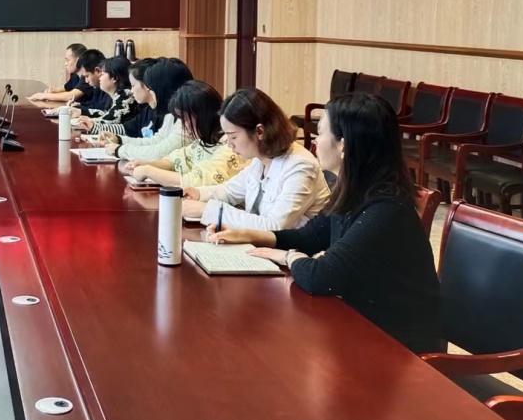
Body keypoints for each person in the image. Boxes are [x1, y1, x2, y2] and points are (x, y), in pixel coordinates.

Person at [209, 93, 441, 353]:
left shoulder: (386, 208)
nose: (315, 141)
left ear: (343, 145)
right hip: (362, 326)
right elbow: (310, 237)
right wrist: (248, 235)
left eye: (320, 133)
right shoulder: (354, 190)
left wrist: (288, 257)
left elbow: (321, 276)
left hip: (399, 348)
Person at [181, 88, 329, 230]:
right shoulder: (261, 160)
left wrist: (207, 210)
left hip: (293, 247)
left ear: (259, 131)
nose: (229, 144)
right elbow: (229, 191)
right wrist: (197, 193)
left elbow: (274, 226)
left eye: (233, 137)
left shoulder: (301, 166)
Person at [127, 81, 245, 187]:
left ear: (202, 115)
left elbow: (197, 181)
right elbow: (174, 161)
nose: (184, 125)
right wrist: (147, 164)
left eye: (186, 119)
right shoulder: (203, 141)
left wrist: (148, 171)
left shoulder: (230, 146)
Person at [103, 58, 193, 158]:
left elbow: (158, 153)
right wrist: (120, 140)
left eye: (150, 87)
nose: (150, 91)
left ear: (164, 88)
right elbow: (156, 140)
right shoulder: (172, 114)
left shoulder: (189, 118)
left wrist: (119, 150)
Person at [73, 55, 136, 131]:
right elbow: (106, 113)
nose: (100, 78)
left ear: (114, 78)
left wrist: (88, 122)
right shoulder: (117, 95)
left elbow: (110, 120)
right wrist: (82, 112)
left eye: (102, 74)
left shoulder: (126, 95)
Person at [28, 43, 93, 104]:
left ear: (79, 60)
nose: (65, 63)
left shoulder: (87, 77)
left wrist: (44, 96)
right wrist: (52, 91)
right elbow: (65, 88)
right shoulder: (75, 75)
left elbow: (70, 96)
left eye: (68, 60)